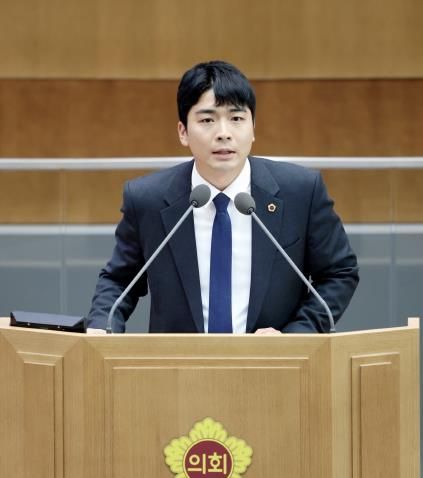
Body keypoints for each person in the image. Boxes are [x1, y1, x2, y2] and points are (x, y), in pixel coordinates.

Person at [87, 60, 359, 334]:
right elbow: (119, 281)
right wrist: (102, 327)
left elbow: (339, 273)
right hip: (177, 359)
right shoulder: (147, 199)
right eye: (207, 120)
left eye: (236, 119)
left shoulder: (300, 191)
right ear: (183, 132)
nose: (223, 134)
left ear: (253, 128)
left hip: (273, 358)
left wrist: (295, 336)